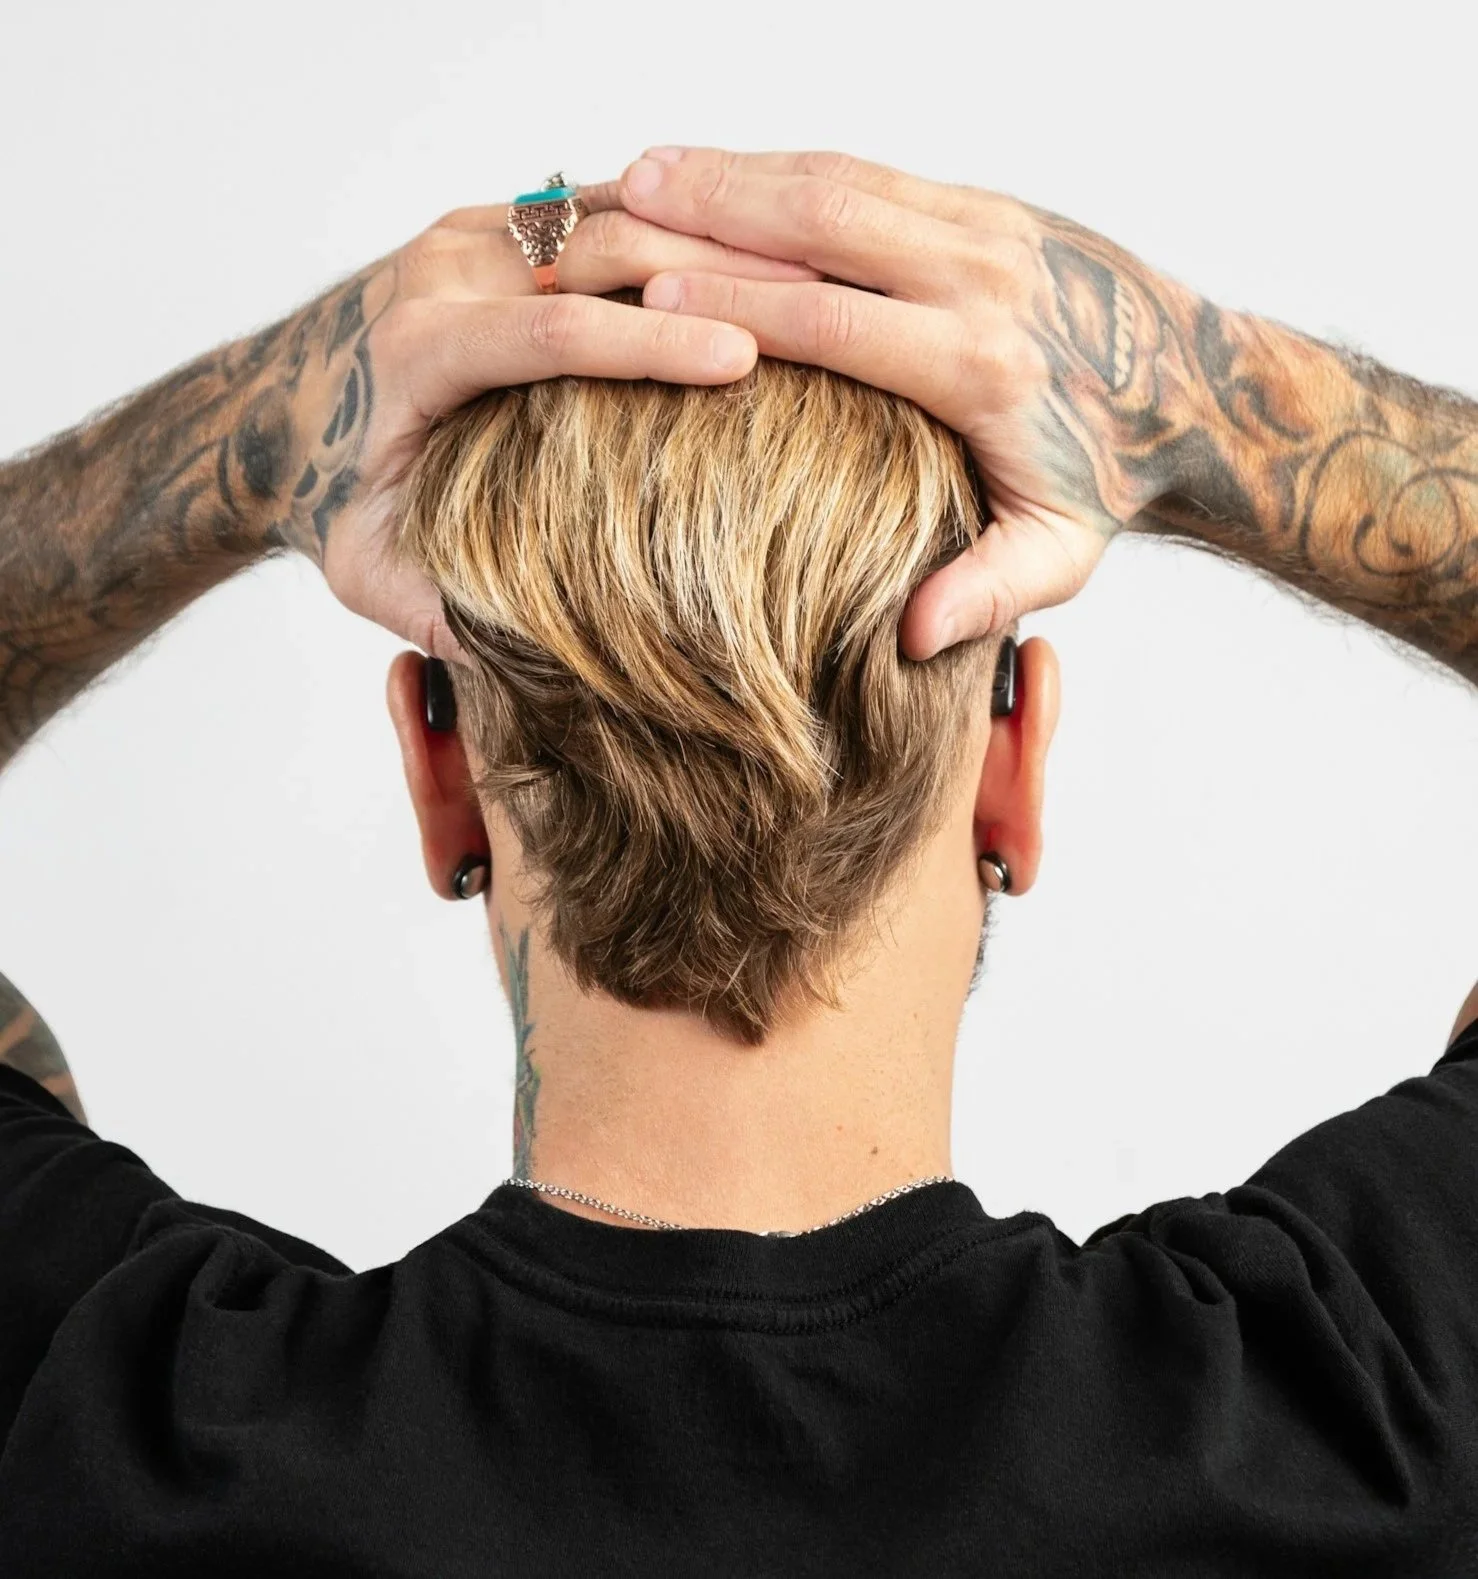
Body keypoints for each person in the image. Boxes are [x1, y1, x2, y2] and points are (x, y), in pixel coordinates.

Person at [1, 146, 1476, 1576]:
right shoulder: (1357, 1420)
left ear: (439, 771)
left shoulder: (118, 1435)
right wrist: (1172, 380)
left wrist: (279, 417)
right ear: (1012, 772)